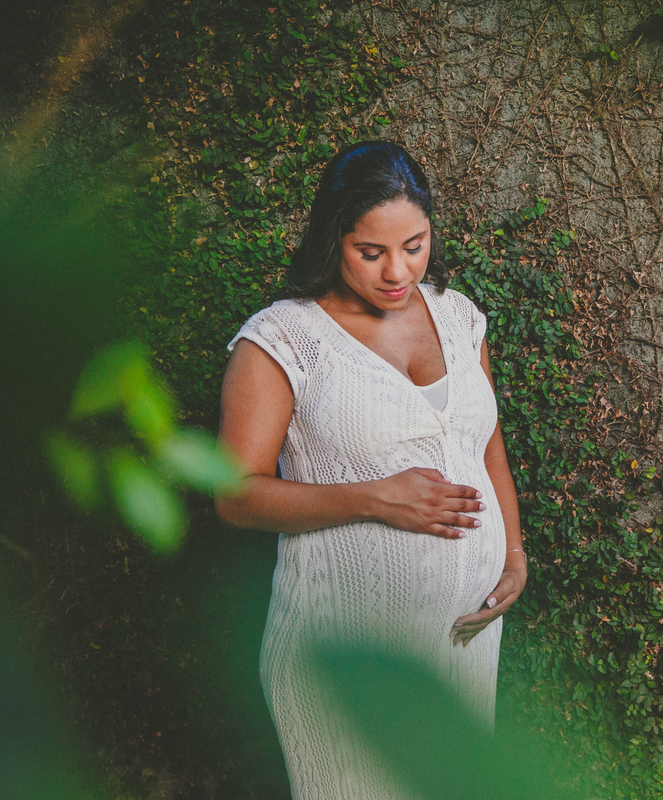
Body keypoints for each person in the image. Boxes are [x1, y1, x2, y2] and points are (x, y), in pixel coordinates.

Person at [215, 141, 526, 799]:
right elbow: (234, 497)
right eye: (370, 251)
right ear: (333, 240)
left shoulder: (458, 317)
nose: (397, 271)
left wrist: (514, 555)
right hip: (347, 657)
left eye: (414, 246)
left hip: (462, 642)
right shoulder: (284, 340)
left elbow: (485, 447)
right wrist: (375, 498)